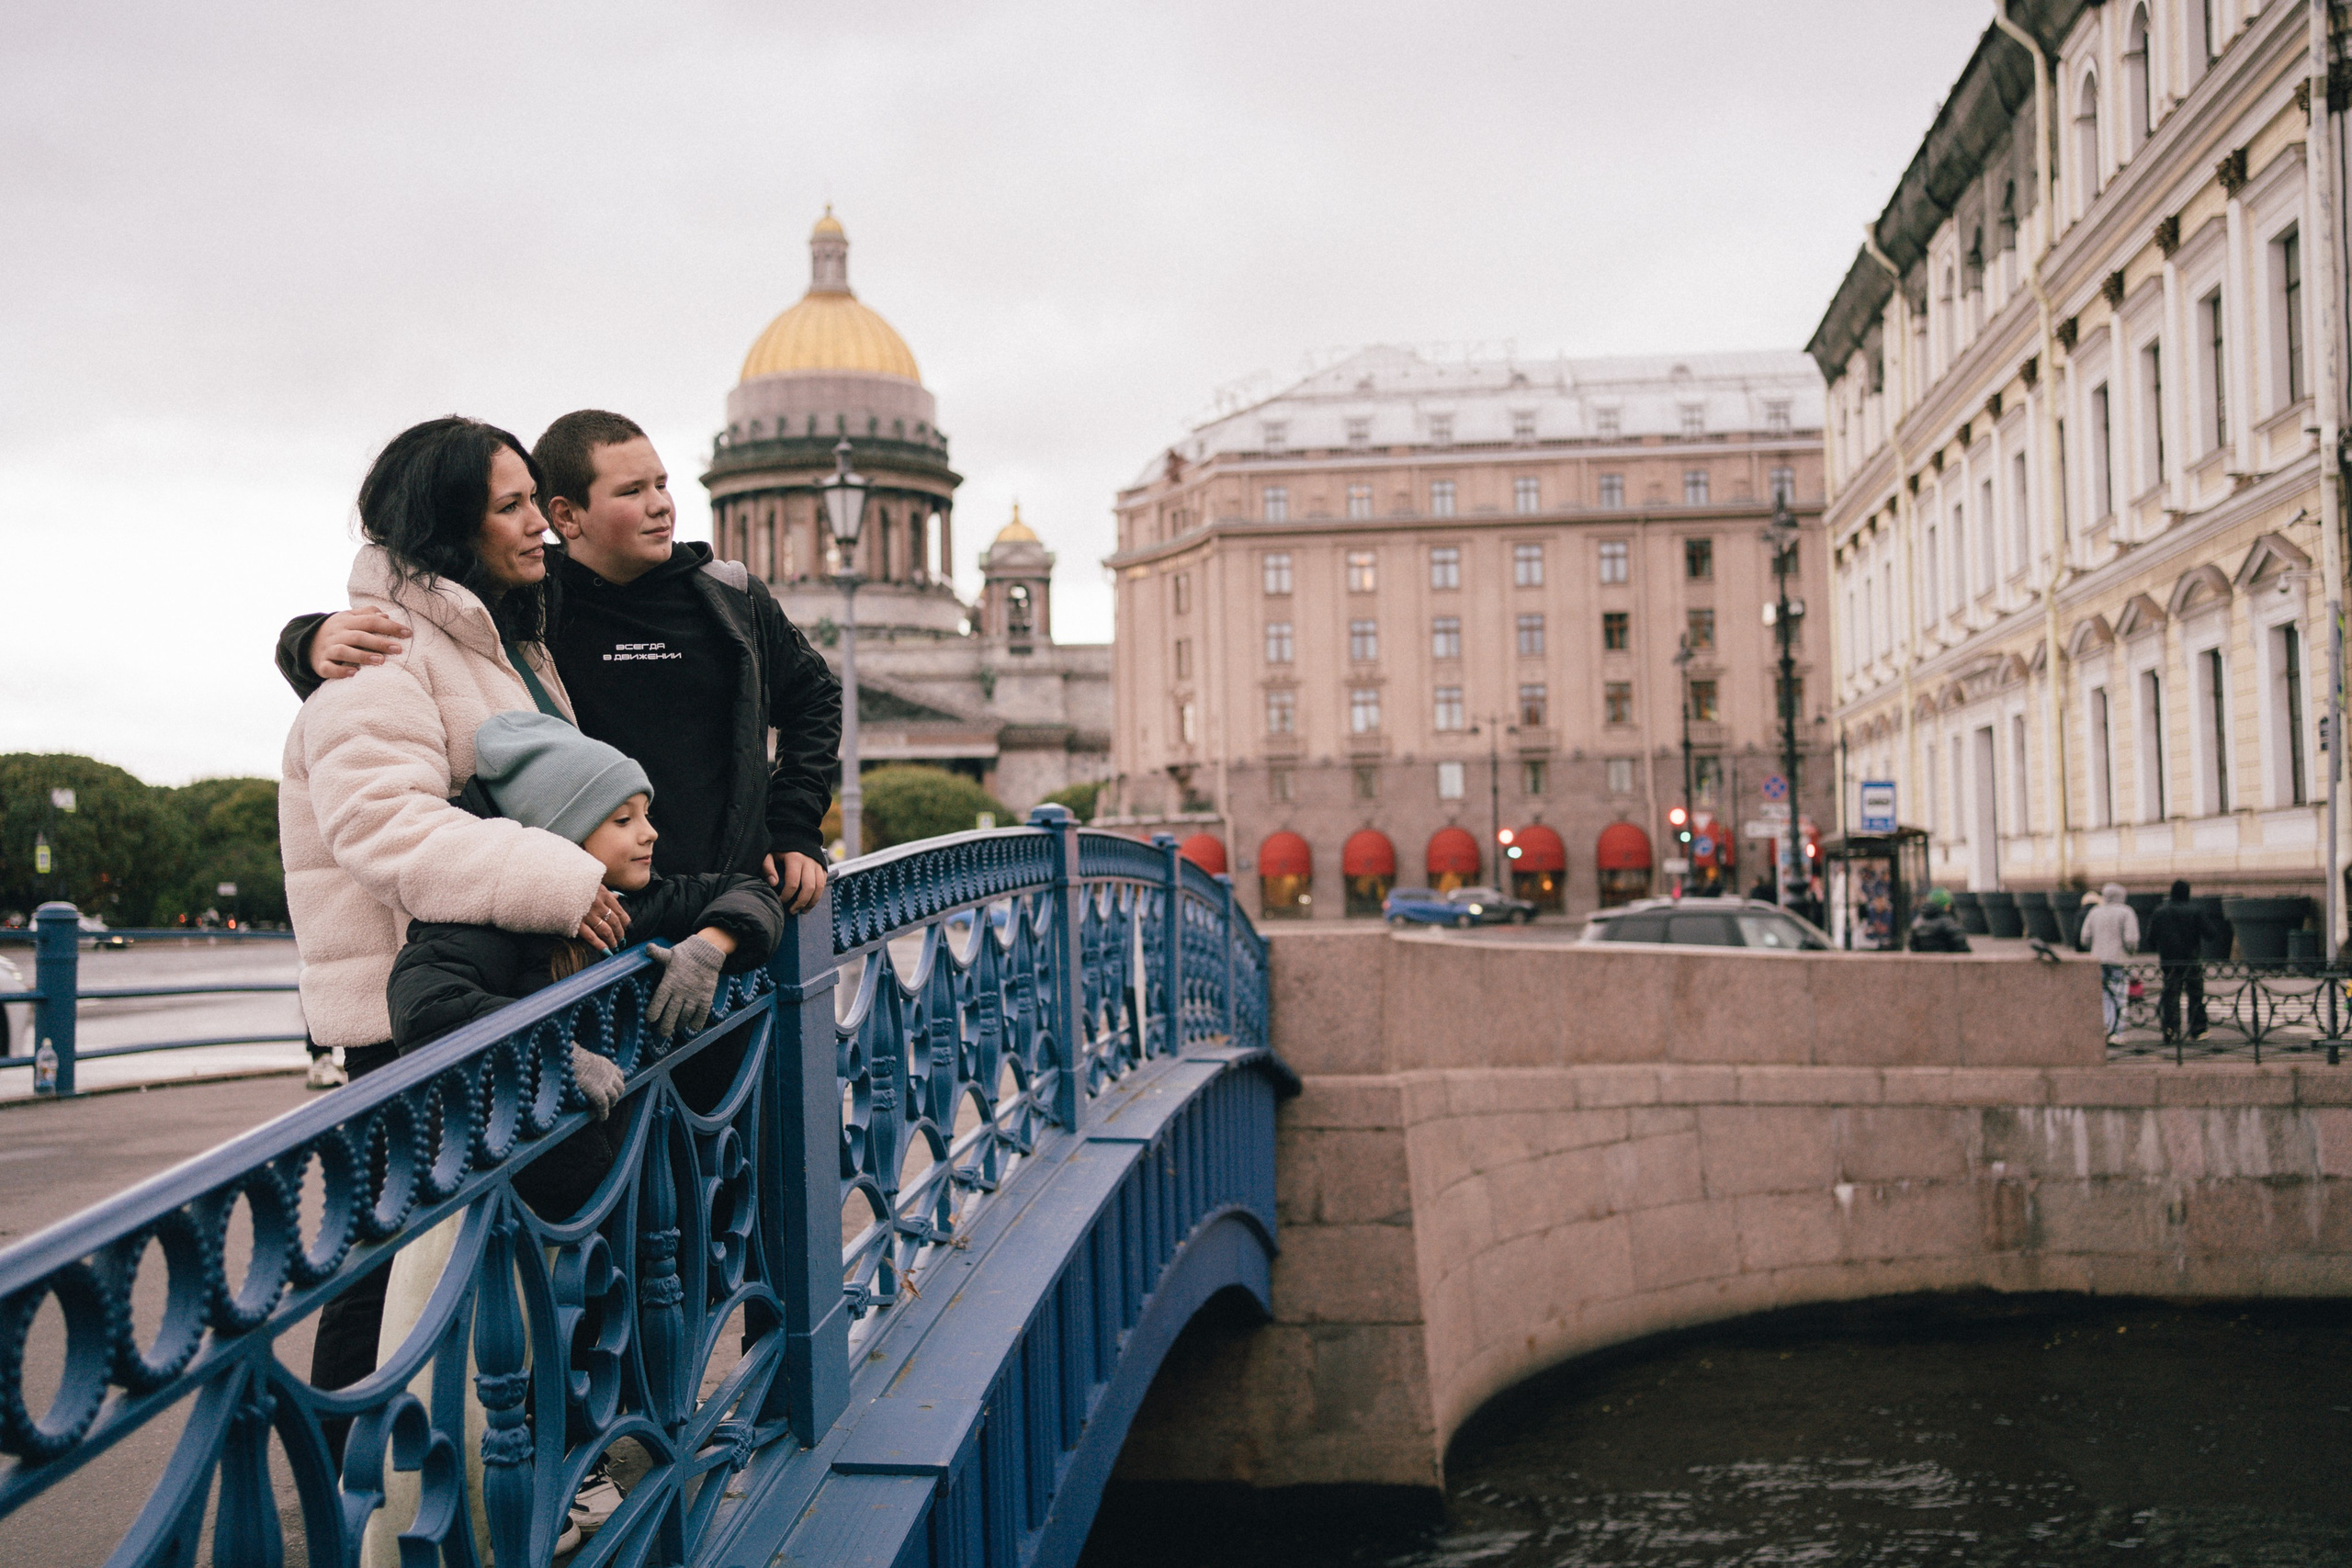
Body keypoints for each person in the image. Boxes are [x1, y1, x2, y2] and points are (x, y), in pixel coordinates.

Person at [280, 416, 630, 1447]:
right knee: (386, 1270)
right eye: (511, 506)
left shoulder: (506, 642)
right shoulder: (384, 657)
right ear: (448, 526)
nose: (538, 523)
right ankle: (348, 1493)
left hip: (484, 996)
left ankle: (476, 1478)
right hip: (412, 1012)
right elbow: (382, 825)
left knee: (446, 1259)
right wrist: (561, 882)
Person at [278, 410, 841, 909]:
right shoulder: (529, 599)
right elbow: (428, 618)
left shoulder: (732, 599)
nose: (660, 506)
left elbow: (816, 698)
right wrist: (306, 642)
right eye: (631, 491)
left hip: (726, 908)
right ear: (568, 516)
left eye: (662, 484)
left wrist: (793, 827)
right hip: (594, 918)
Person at [387, 714, 786, 1215]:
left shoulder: (634, 902)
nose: (650, 833)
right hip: (505, 1203)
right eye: (623, 820)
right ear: (563, 832)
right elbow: (425, 1007)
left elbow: (748, 891)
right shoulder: (486, 922)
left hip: (601, 1197)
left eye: (646, 814)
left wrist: (711, 945)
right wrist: (551, 1055)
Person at [2142, 879, 2219, 1043]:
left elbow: (2150, 938)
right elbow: (2211, 933)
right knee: (2195, 994)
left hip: (2169, 960)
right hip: (2191, 959)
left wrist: (2161, 946)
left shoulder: (2160, 912)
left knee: (2170, 995)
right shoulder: (2195, 910)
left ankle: (2170, 1028)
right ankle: (2198, 1029)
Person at [2079, 882, 2141, 1043]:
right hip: (2118, 960)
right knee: (2120, 997)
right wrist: (2130, 953)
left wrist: (2095, 949)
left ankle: (2106, 1027)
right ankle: (2117, 1033)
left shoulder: (2095, 912)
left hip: (2098, 960)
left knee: (2105, 996)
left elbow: (2085, 937)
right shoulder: (2126, 912)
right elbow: (2131, 939)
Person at [1906, 886, 1971, 952]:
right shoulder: (1949, 923)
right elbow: (1962, 949)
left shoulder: (1917, 922)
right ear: (1946, 906)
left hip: (1924, 958)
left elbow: (1912, 947)